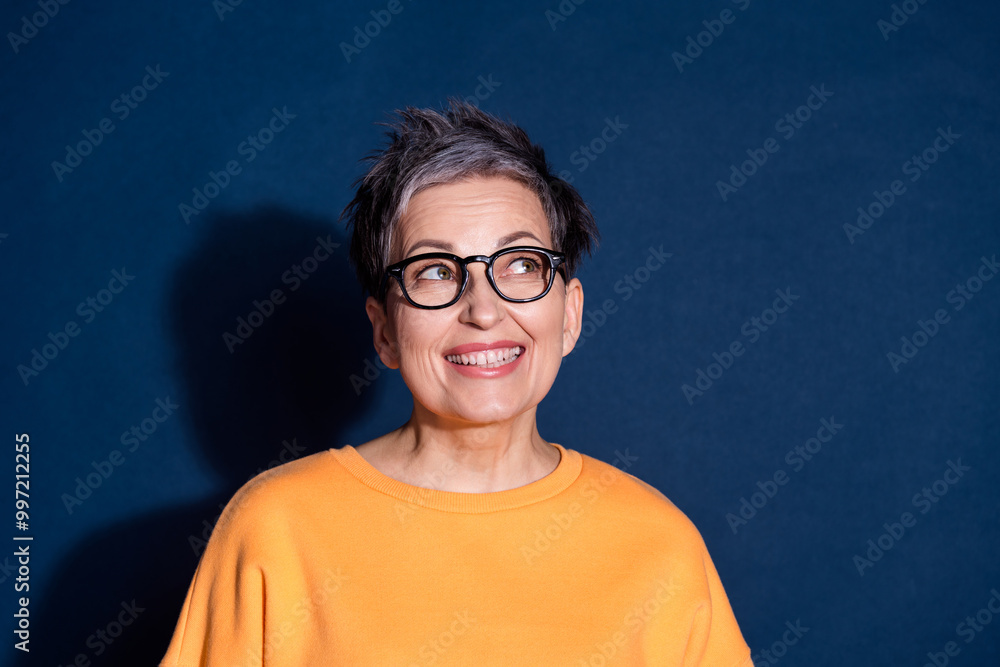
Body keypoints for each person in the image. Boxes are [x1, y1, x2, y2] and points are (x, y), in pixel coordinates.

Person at [159, 99, 753, 666]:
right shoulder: (275, 528)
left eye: (521, 263)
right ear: (385, 329)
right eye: (437, 272)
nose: (484, 309)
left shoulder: (658, 542)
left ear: (569, 314)